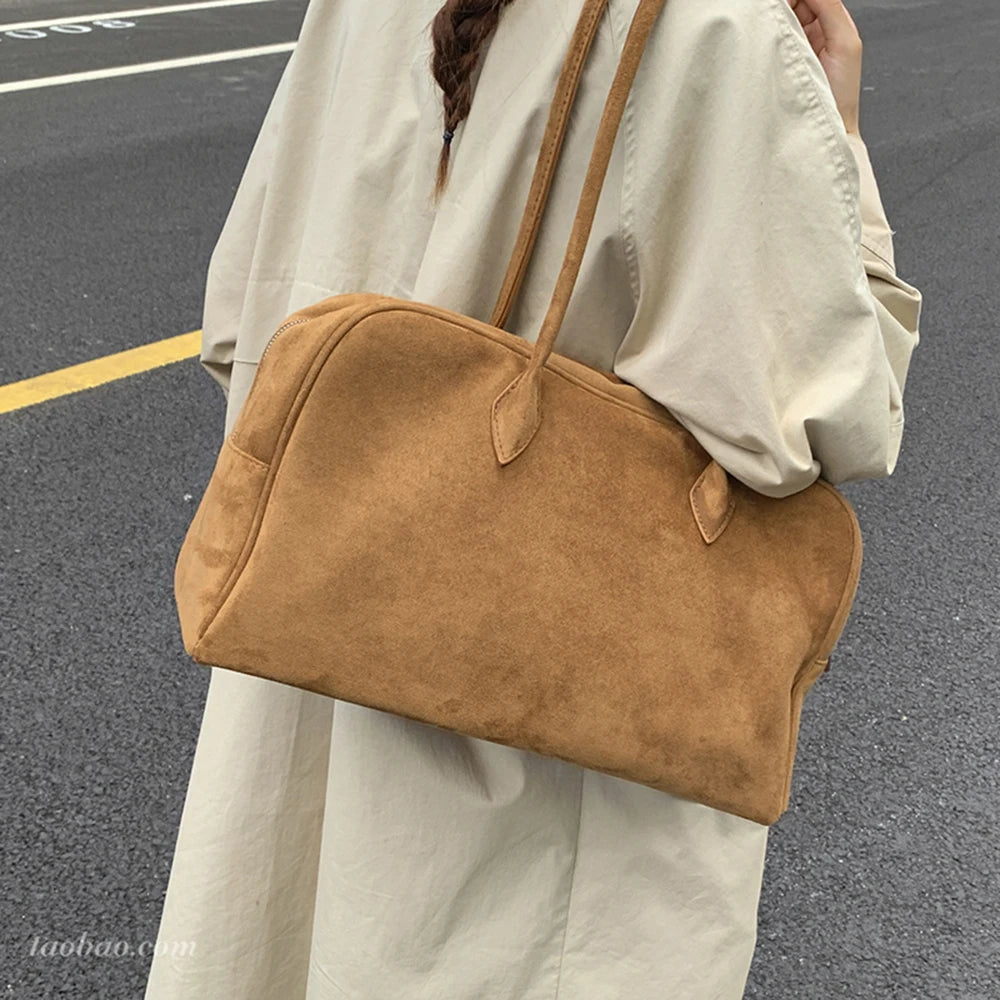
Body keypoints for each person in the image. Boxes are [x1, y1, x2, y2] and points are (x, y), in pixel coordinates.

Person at [146, 0, 922, 996]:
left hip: (303, 672)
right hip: (554, 799)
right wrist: (839, 136)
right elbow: (821, 415)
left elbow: (241, 326)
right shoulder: (715, 27)